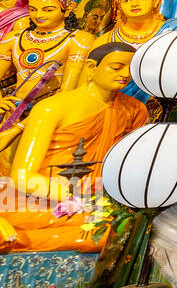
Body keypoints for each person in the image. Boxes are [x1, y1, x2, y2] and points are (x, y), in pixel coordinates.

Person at [0, 42, 147, 254]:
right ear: (90, 67)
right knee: (101, 232)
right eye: (116, 67)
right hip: (39, 198)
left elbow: (126, 165)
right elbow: (23, 176)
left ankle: (17, 240)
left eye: (130, 70)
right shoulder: (51, 108)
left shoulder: (134, 110)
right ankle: (17, 236)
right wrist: (77, 197)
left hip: (96, 199)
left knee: (115, 230)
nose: (125, 75)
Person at [0, 0, 92, 104]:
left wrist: (41, 115)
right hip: (12, 110)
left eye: (48, 10)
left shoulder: (78, 40)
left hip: (51, 112)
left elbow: (67, 91)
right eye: (33, 9)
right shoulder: (14, 38)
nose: (38, 16)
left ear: (68, 10)